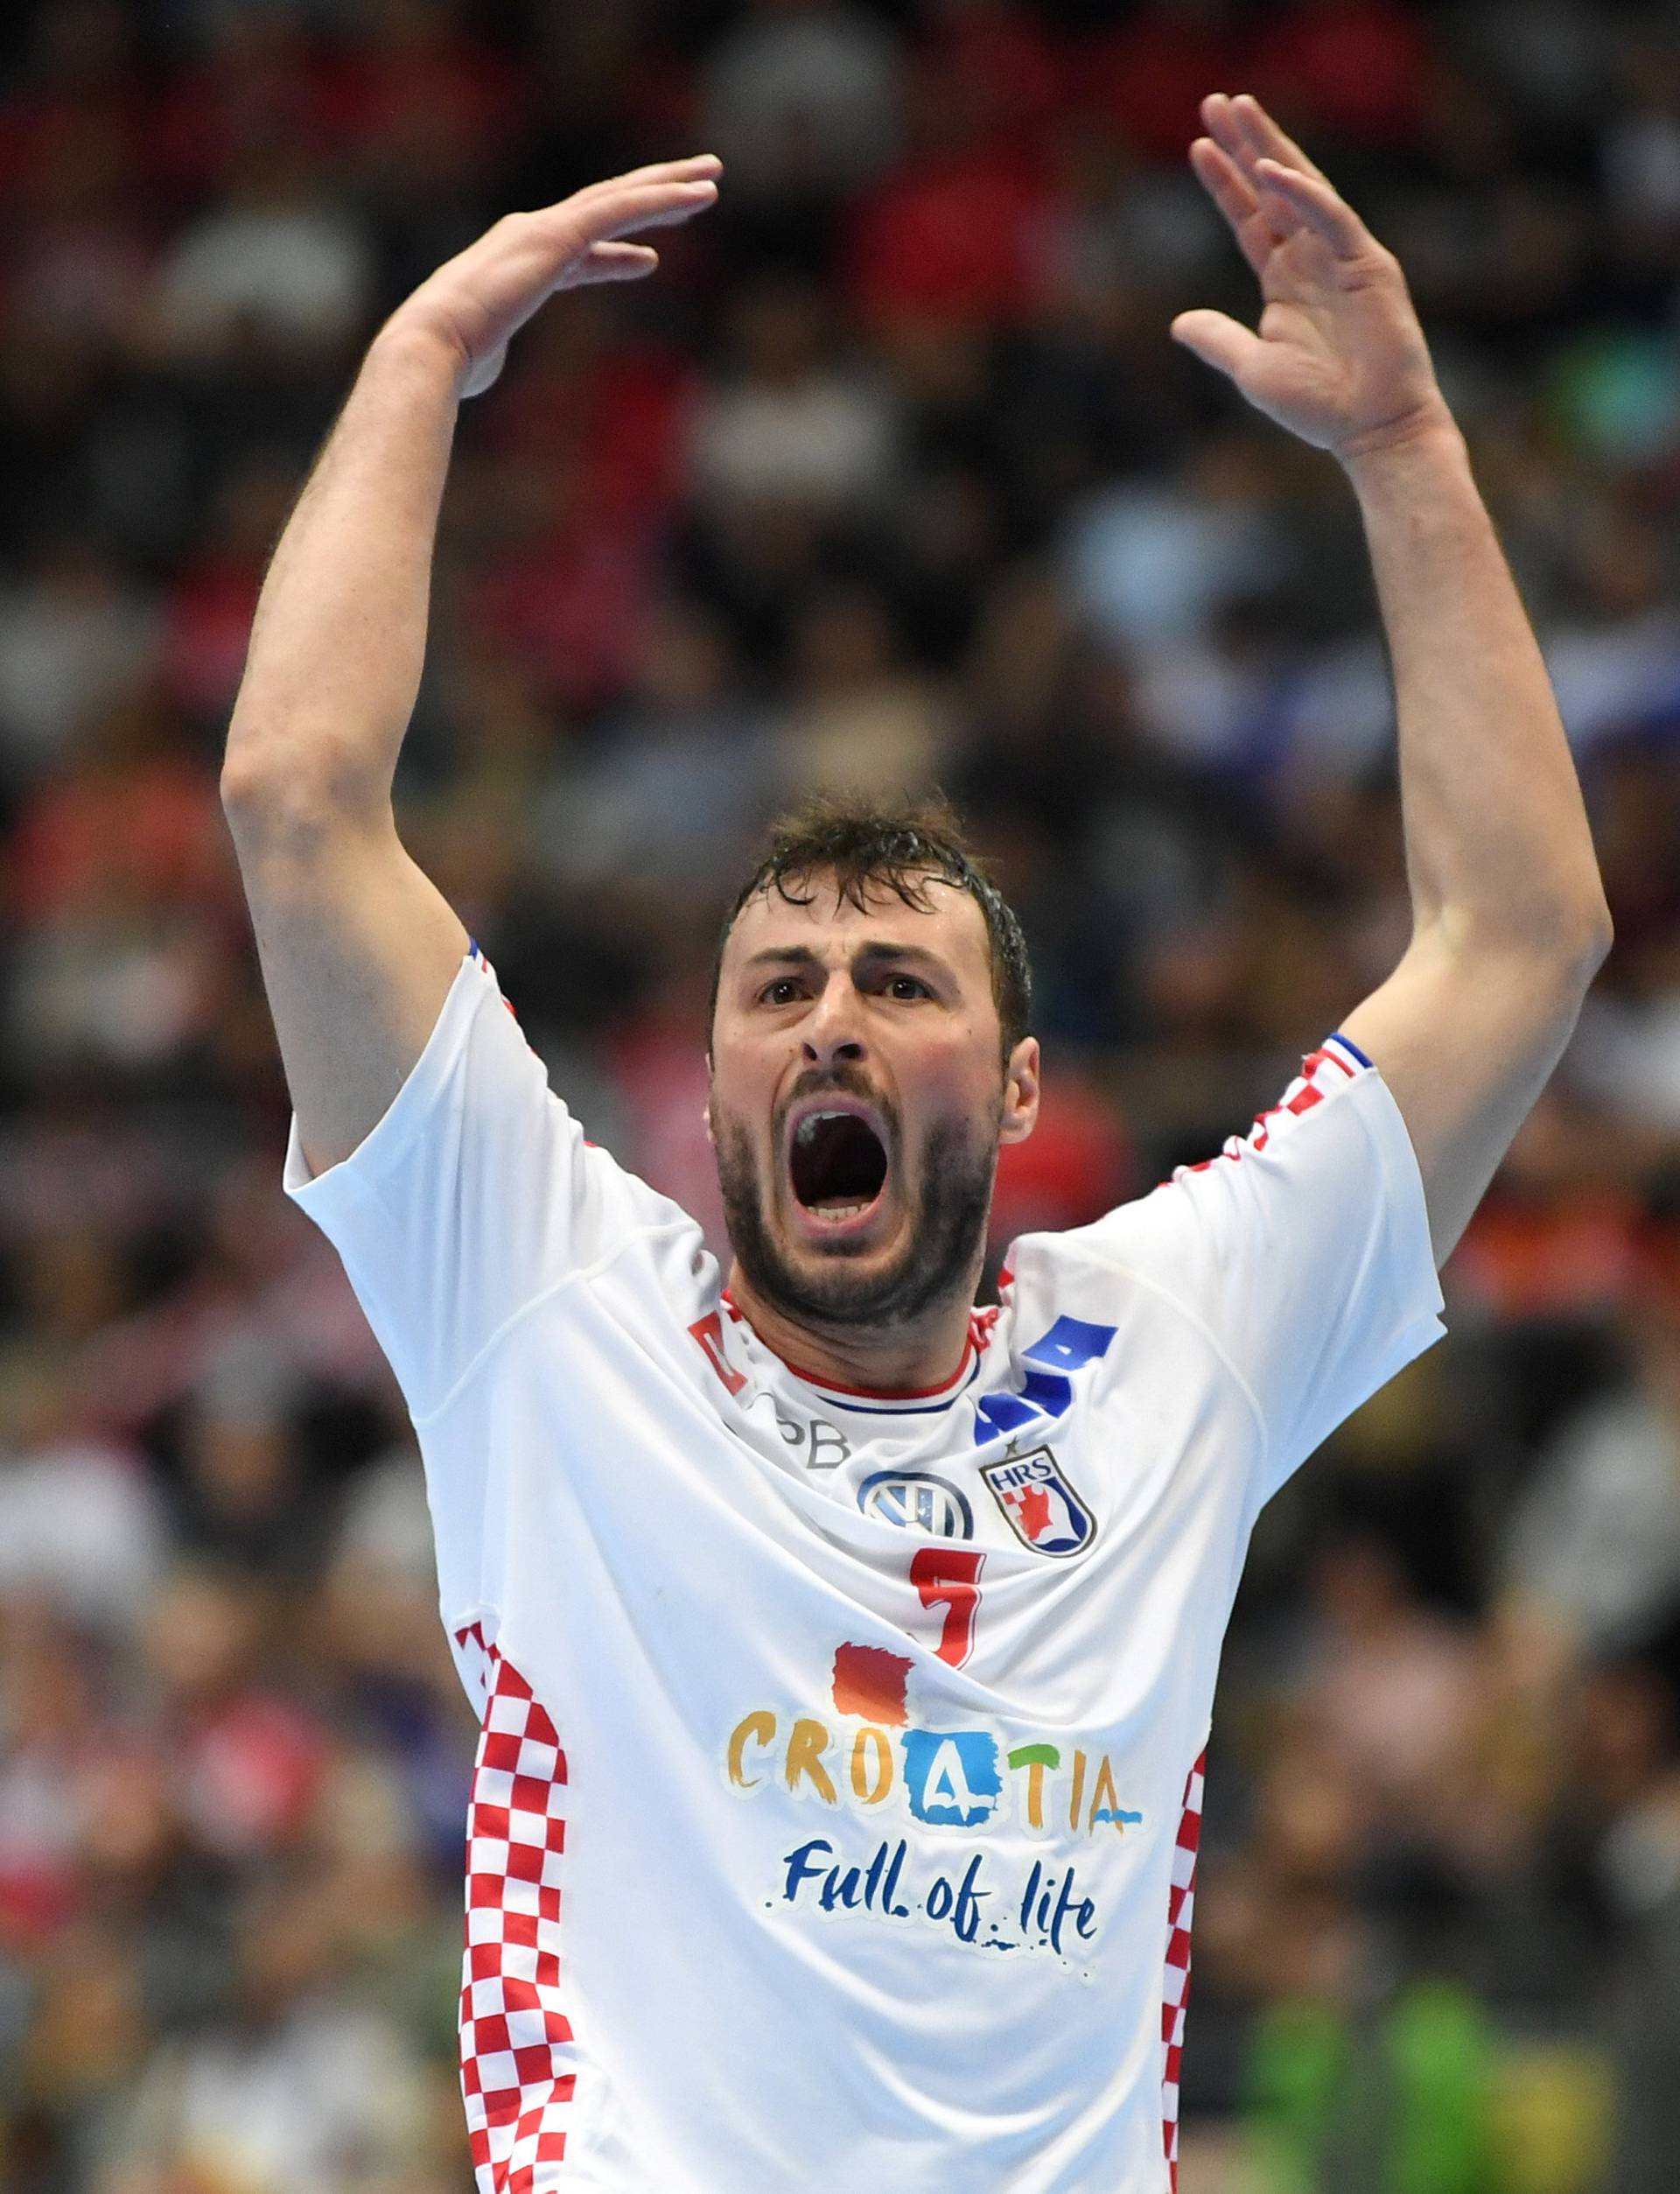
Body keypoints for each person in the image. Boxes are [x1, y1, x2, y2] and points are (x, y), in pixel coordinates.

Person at [220, 98, 1612, 2194]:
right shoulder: (544, 1299)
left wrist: (1410, 457)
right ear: (713, 1099)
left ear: (1025, 1091)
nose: (836, 1017)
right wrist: (417, 365)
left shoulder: (1178, 1338)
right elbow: (300, 803)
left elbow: (1525, 933)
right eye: (780, 990)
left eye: (900, 981)